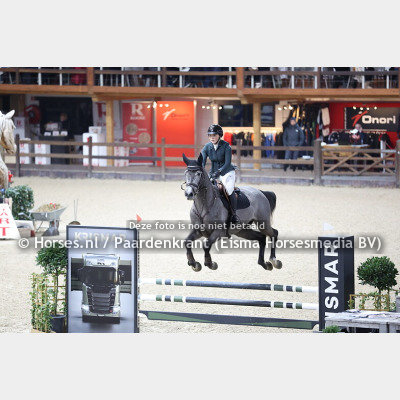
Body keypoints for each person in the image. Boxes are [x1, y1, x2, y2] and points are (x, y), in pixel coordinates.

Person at [201, 124, 238, 224]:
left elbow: (227, 163)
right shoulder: (207, 147)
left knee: (229, 190)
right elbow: (202, 160)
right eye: (210, 135)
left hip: (227, 172)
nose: (212, 137)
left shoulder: (226, 146)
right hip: (213, 173)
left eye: (214, 135)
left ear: (219, 135)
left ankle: (234, 214)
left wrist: (219, 171)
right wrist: (200, 168)